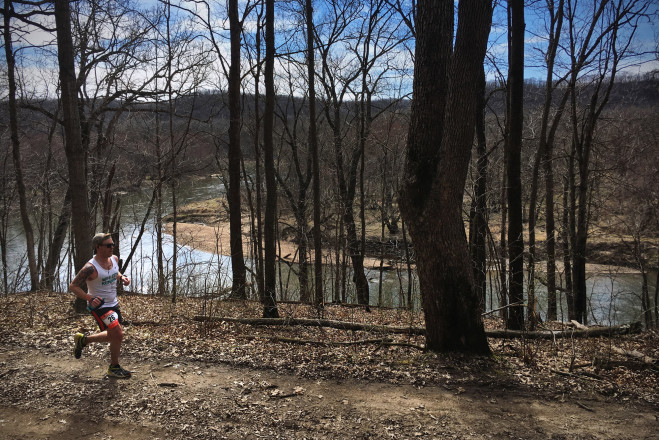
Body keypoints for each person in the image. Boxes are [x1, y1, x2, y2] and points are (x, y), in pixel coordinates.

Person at [69, 232, 132, 378]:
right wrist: (89, 297)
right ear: (98, 247)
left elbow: (115, 272)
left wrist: (122, 277)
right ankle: (114, 367)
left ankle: (83, 340)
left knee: (113, 335)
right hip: (100, 306)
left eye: (113, 245)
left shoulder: (114, 259)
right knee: (118, 334)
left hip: (113, 303)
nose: (112, 248)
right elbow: (73, 286)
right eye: (108, 245)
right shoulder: (90, 268)